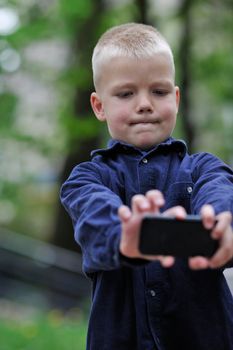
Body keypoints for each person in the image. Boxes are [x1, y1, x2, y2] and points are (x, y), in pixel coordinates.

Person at [60, 23, 233, 350]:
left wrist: (222, 221)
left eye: (159, 91)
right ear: (99, 106)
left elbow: (221, 192)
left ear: (176, 98)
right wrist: (125, 232)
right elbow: (94, 214)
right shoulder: (85, 178)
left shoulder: (204, 168)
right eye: (126, 94)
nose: (145, 104)